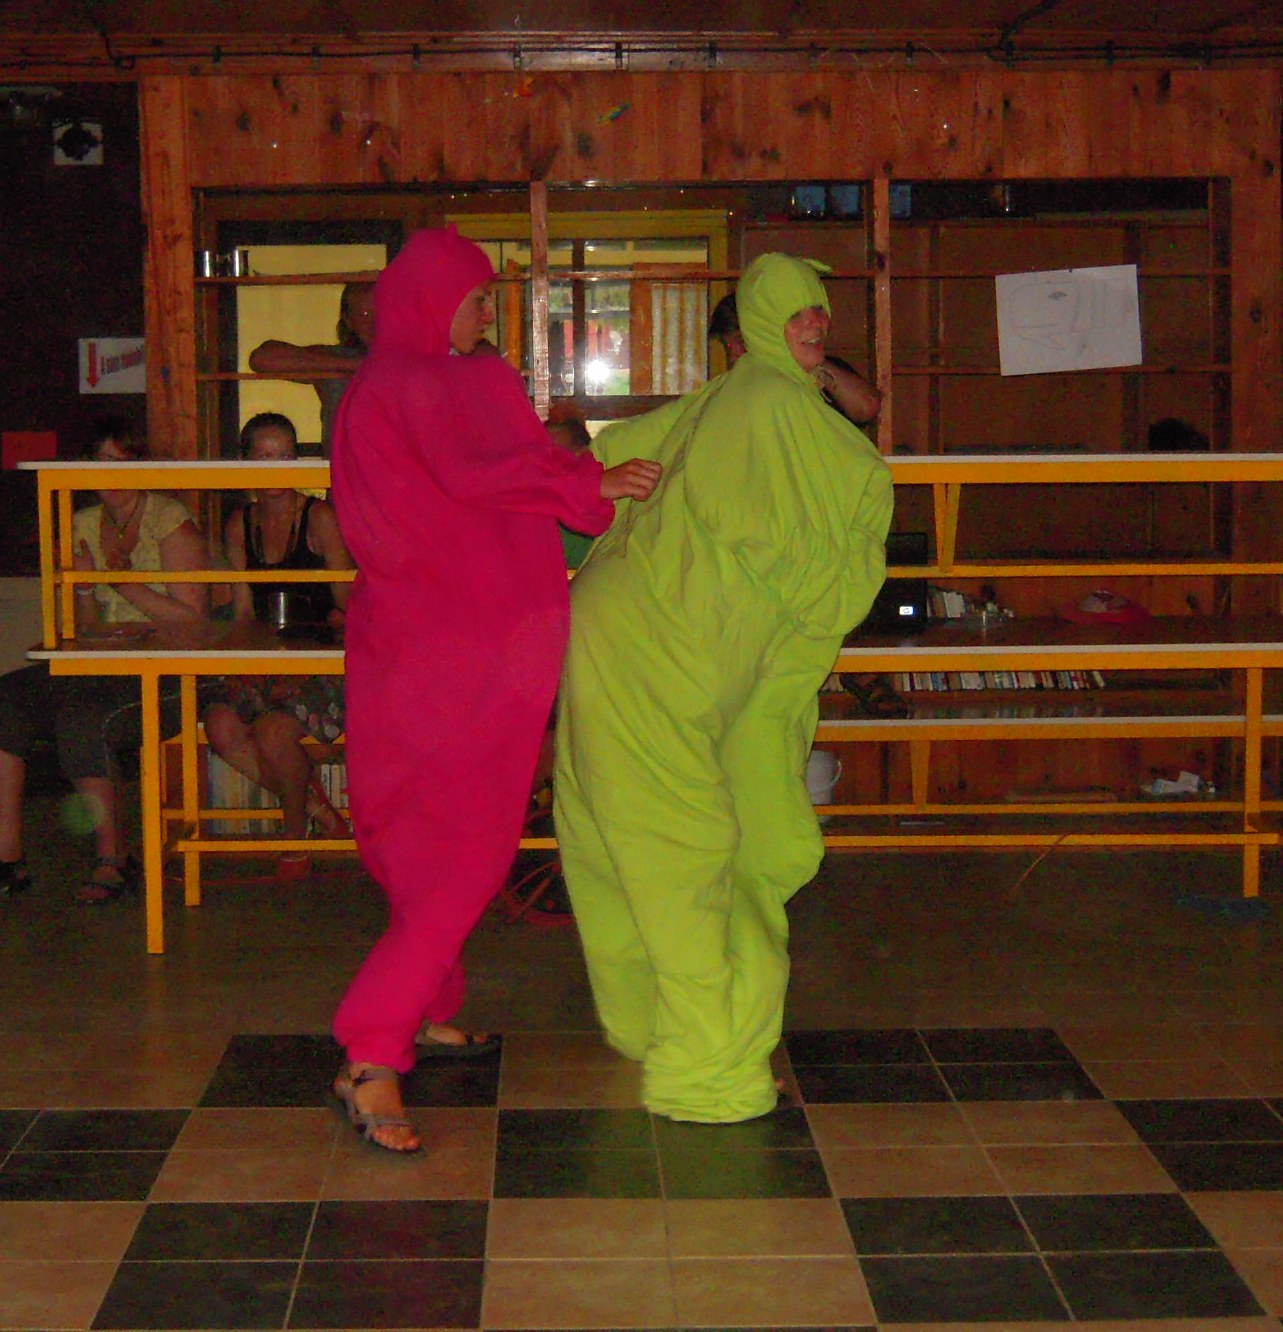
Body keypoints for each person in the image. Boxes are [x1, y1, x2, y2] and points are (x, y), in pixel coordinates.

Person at [328, 225, 661, 1153]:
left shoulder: (376, 389)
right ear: (432, 301)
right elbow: (483, 472)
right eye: (476, 298)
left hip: (411, 647)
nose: (487, 314)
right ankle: (370, 1052)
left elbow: (457, 488)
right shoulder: (439, 383)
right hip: (459, 656)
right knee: (469, 851)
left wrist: (576, 484)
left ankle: (430, 1007)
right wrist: (593, 482)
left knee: (421, 839)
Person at [554, 253, 894, 1123]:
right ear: (757, 321)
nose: (814, 324)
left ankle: (654, 1024)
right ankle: (707, 1072)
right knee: (689, 851)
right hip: (652, 652)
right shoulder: (765, 403)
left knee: (624, 841)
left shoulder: (741, 395)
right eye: (794, 312)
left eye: (819, 310)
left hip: (634, 639)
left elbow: (604, 459)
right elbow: (798, 537)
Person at [0, 417, 209, 903]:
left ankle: (114, 859)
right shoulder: (82, 522)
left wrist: (122, 585)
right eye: (99, 461)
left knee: (82, 718)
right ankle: (8, 858)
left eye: (120, 460)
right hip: (102, 661)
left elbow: (192, 620)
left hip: (166, 668)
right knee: (6, 698)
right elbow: (84, 626)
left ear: (141, 465)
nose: (108, 472)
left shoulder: (169, 518)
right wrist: (87, 589)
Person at [201, 412, 355, 883]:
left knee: (272, 732)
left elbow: (350, 604)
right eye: (264, 456)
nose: (274, 466)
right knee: (219, 724)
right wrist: (247, 660)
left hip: (324, 660)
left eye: (285, 456)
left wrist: (330, 626)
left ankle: (292, 833)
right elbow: (243, 611)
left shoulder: (319, 517)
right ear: (245, 461)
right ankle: (313, 806)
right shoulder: (239, 524)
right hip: (266, 656)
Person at [708, 290, 883, 424]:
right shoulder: (734, 389)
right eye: (727, 346)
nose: (733, 356)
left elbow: (867, 406)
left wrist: (812, 364)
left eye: (742, 342)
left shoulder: (819, 370)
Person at [249, 282, 375, 454]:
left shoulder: (410, 358)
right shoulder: (334, 357)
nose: (374, 321)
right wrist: (356, 365)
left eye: (381, 311)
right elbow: (261, 358)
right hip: (344, 466)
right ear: (349, 321)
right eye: (365, 314)